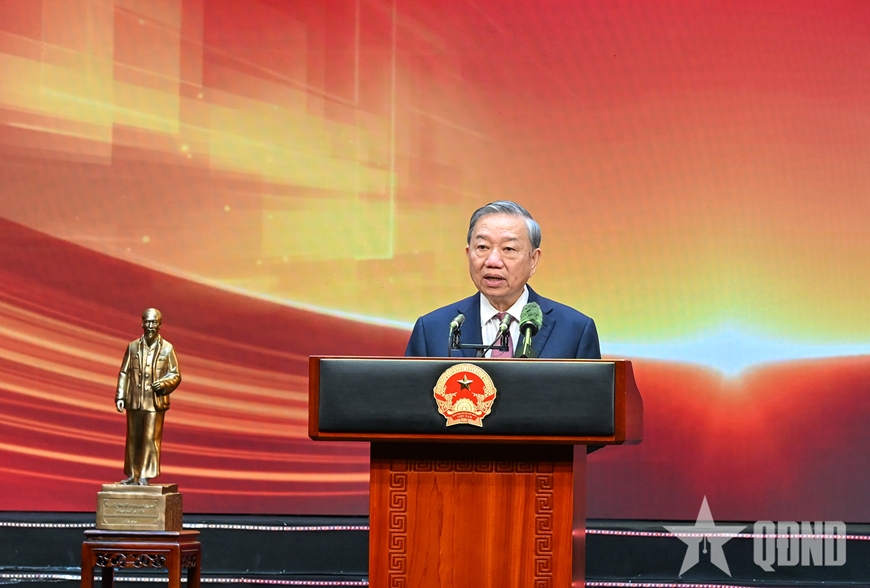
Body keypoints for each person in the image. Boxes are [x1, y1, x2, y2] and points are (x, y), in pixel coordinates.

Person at [405, 201, 600, 359]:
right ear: (468, 254)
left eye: (509, 249)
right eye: (482, 247)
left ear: (533, 260)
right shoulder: (432, 329)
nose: (492, 261)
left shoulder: (575, 331)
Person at [115, 308, 181, 485]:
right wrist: (120, 396)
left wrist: (164, 384)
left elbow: (175, 374)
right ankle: (132, 474)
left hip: (154, 402)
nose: (150, 326)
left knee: (150, 439)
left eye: (154, 322)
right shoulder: (132, 347)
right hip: (134, 401)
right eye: (148, 322)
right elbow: (124, 372)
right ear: (142, 323)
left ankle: (145, 475)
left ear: (160, 324)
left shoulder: (167, 348)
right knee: (133, 438)